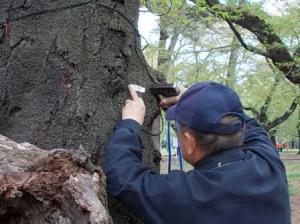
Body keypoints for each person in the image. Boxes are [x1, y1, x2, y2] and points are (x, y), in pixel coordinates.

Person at [104, 81, 291, 224]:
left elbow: (123, 176)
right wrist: (198, 99)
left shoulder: (187, 195)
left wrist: (130, 123)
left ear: (189, 141)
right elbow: (252, 127)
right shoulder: (269, 165)